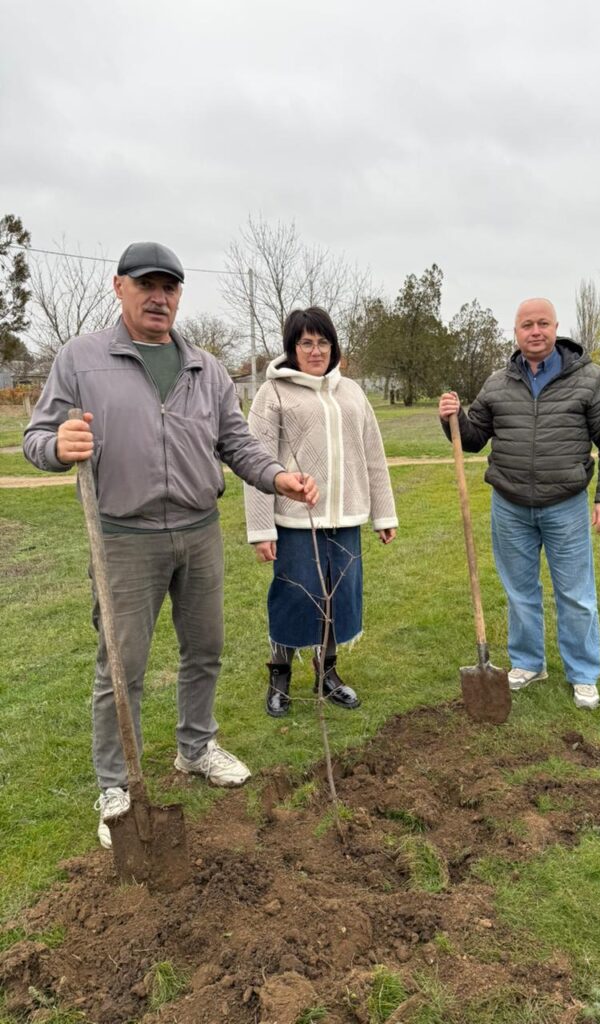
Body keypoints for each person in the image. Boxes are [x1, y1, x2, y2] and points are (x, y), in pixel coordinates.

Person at [23, 241, 318, 848]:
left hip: (197, 530)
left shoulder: (205, 368)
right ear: (120, 288)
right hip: (125, 538)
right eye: (147, 285)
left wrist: (278, 476)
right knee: (121, 666)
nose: (159, 297)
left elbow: (236, 444)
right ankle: (116, 783)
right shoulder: (80, 360)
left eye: (170, 288)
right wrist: (57, 448)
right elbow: (38, 436)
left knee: (205, 647)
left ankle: (195, 746)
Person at [438, 297, 600, 709]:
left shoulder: (590, 380)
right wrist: (451, 418)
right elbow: (472, 441)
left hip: (566, 504)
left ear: (556, 328)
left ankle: (583, 673)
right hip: (509, 505)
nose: (535, 331)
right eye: (527, 325)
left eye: (543, 323)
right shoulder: (497, 383)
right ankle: (528, 663)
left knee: (576, 594)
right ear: (516, 332)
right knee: (520, 590)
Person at [244, 306, 398, 717]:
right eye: (307, 343)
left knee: (338, 600)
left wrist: (384, 515)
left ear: (334, 347)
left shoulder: (352, 393)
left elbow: (374, 457)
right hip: (296, 521)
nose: (316, 351)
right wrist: (261, 529)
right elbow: (255, 463)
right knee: (296, 598)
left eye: (323, 342)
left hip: (345, 519)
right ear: (292, 348)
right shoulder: (272, 394)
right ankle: (280, 675)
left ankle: (327, 673)